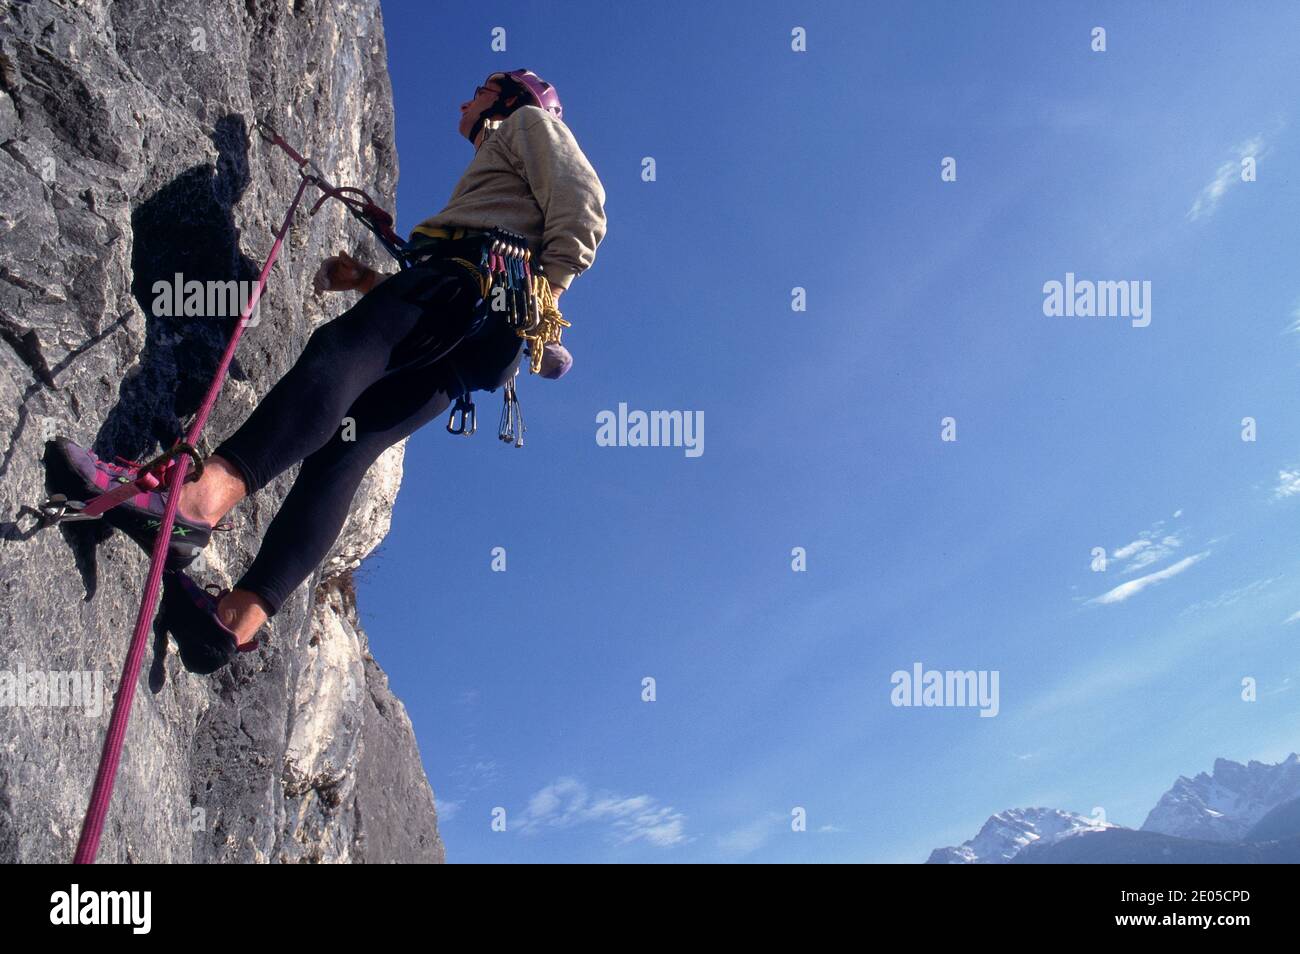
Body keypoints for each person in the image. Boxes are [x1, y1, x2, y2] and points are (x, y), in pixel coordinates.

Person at [51, 70, 607, 674]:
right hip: (469, 337)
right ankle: (236, 621)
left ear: (510, 98)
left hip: (469, 289)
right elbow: (443, 306)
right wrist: (369, 281)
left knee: (339, 351)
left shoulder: (530, 125)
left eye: (479, 89)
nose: (463, 97)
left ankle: (199, 503)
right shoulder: (503, 171)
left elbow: (584, 209)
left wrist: (542, 293)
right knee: (345, 451)